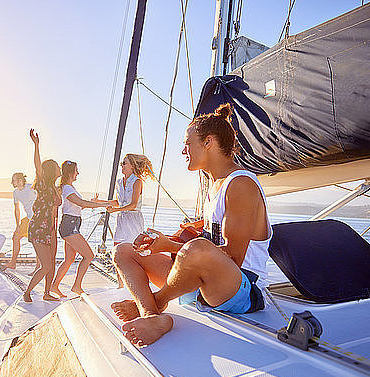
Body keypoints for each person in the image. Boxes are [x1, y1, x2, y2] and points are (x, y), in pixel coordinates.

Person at [111, 103, 271, 346]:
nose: (183, 150)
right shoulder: (215, 186)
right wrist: (163, 242)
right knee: (123, 251)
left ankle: (157, 301)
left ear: (208, 142)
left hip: (241, 289)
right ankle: (151, 316)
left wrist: (173, 247)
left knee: (196, 249)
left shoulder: (240, 185)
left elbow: (233, 257)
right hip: (203, 283)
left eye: (187, 143)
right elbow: (207, 239)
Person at [50, 161, 112, 297]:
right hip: (69, 226)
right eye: (76, 171)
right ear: (70, 173)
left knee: (69, 259)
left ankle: (54, 286)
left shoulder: (71, 188)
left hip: (73, 224)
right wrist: (104, 205)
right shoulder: (67, 188)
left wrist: (94, 202)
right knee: (89, 255)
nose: (78, 173)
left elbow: (80, 206)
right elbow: (82, 203)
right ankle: (76, 286)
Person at [23, 129, 62, 302]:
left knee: (52, 263)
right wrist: (36, 145)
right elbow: (37, 165)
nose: (59, 168)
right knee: (46, 265)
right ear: (50, 171)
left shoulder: (55, 188)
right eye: (56, 166)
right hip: (39, 228)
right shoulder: (43, 184)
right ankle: (27, 292)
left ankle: (47, 293)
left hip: (50, 229)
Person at [106, 153, 153, 288]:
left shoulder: (137, 181)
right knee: (117, 251)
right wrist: (101, 202)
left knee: (134, 252)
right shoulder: (119, 182)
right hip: (121, 220)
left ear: (132, 165)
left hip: (133, 220)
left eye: (124, 163)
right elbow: (117, 202)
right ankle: (120, 286)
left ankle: (137, 285)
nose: (122, 166)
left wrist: (115, 210)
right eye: (122, 163)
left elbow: (133, 204)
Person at [5, 172, 40, 275]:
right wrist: (17, 226)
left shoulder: (31, 188)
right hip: (28, 218)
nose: (12, 182)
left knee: (36, 243)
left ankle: (38, 267)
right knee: (16, 237)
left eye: (14, 180)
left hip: (37, 218)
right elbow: (17, 210)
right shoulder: (15, 193)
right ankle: (12, 263)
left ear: (20, 180)